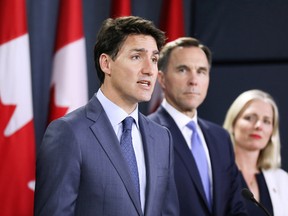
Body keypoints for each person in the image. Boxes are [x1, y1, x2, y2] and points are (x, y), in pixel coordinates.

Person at [34, 16, 179, 216]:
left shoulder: (162, 137)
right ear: (106, 63)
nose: (149, 70)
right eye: (137, 57)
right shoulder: (68, 132)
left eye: (154, 59)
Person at [149, 37, 247, 216]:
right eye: (182, 70)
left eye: (201, 71)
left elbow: (235, 205)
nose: (194, 80)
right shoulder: (146, 132)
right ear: (161, 79)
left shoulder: (221, 138)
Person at [223, 89, 288, 216]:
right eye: (249, 118)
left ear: (272, 132)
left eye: (266, 121)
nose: (259, 126)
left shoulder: (283, 180)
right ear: (233, 124)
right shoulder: (217, 173)